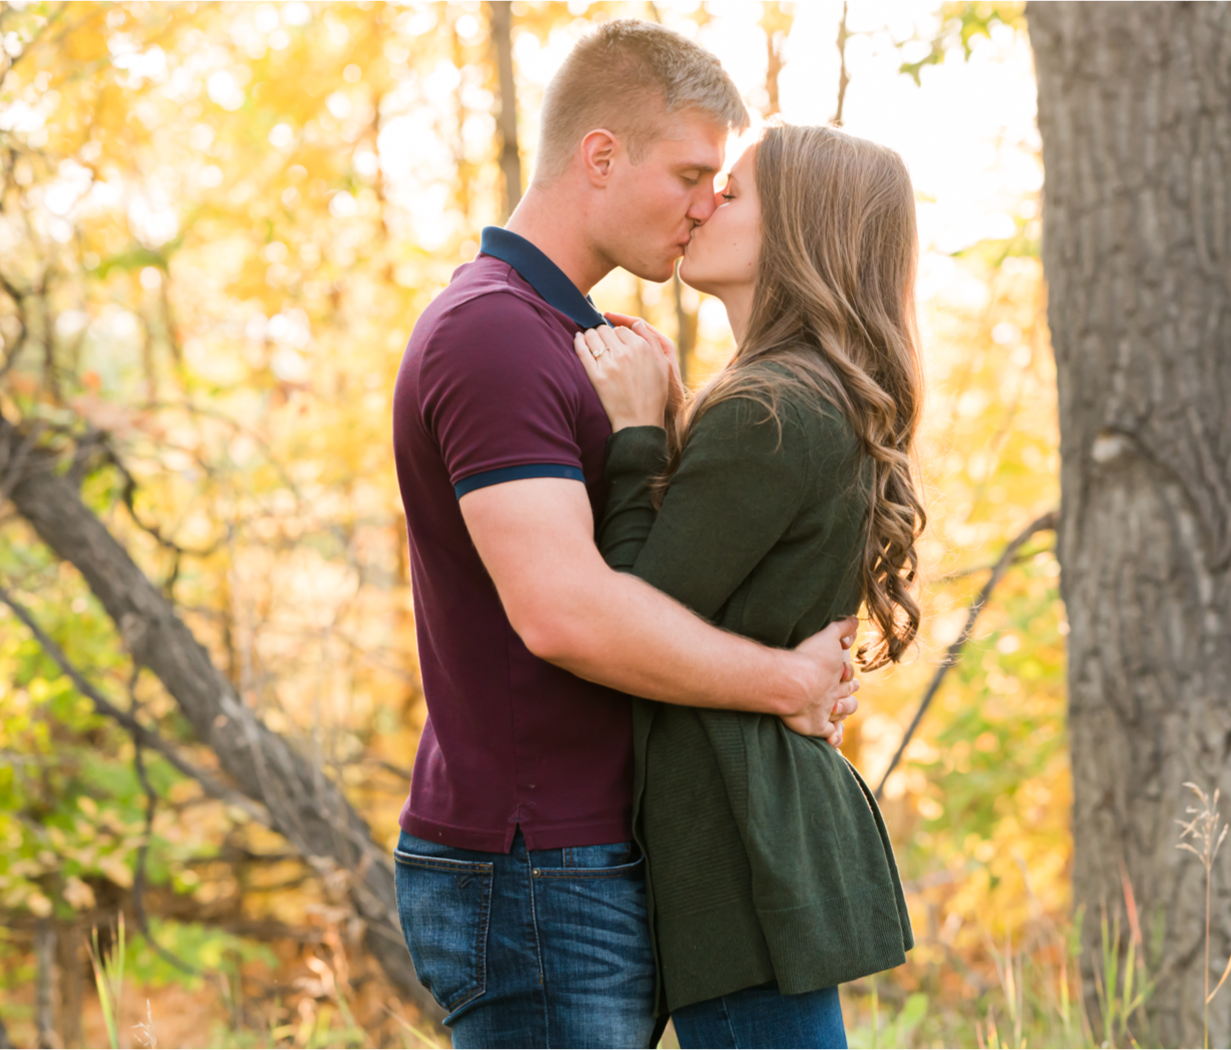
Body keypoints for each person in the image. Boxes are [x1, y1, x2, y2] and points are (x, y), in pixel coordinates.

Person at [389, 21, 860, 1049]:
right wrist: (784, 682)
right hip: (533, 861)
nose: (707, 204)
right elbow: (564, 614)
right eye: (692, 172)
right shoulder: (495, 333)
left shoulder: (577, 341)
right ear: (600, 156)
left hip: (591, 848)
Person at [572, 123, 922, 1049]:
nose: (705, 204)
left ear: (800, 233)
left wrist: (639, 435)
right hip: (766, 833)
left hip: (737, 850)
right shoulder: (808, 395)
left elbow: (632, 614)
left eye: (735, 192)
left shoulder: (771, 407)